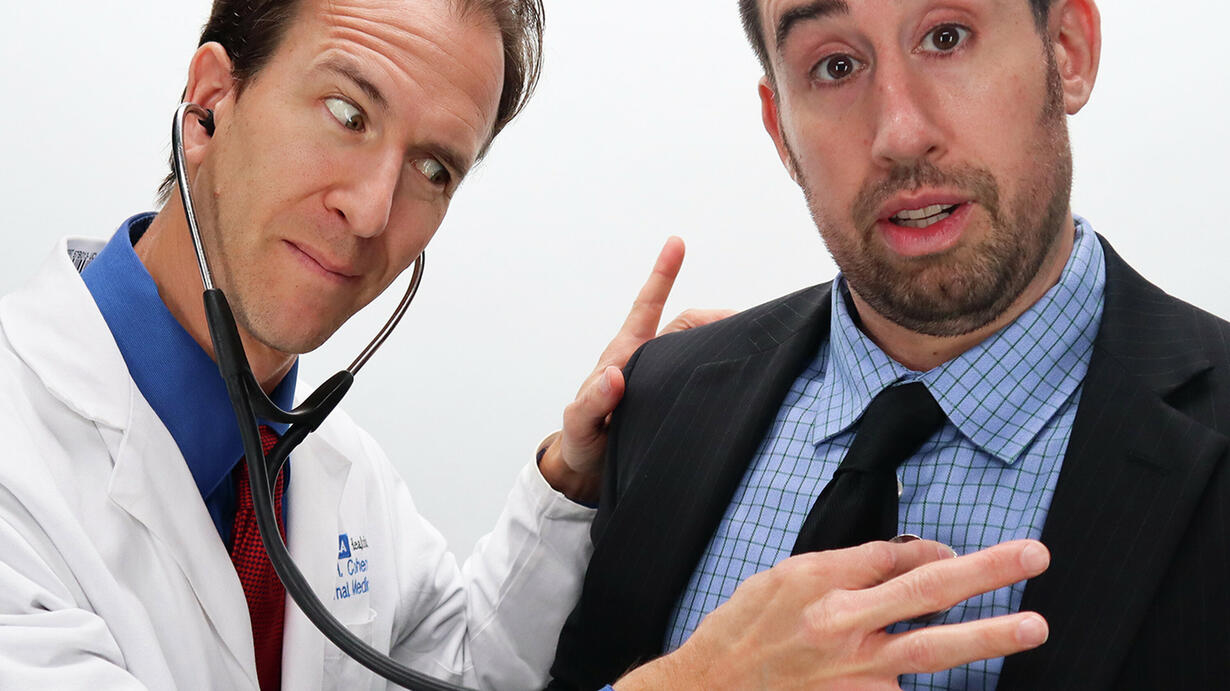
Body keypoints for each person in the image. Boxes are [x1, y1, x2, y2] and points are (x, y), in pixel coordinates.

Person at [0, 0, 1054, 689]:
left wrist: (570, 475)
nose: (373, 209)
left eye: (434, 168)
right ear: (209, 101)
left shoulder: (330, 478)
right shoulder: (21, 457)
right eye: (346, 112)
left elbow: (461, 670)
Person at [550, 0, 1230, 689]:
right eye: (835, 67)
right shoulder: (662, 398)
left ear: (1066, 49)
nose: (901, 135)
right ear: (781, 131)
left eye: (947, 37)